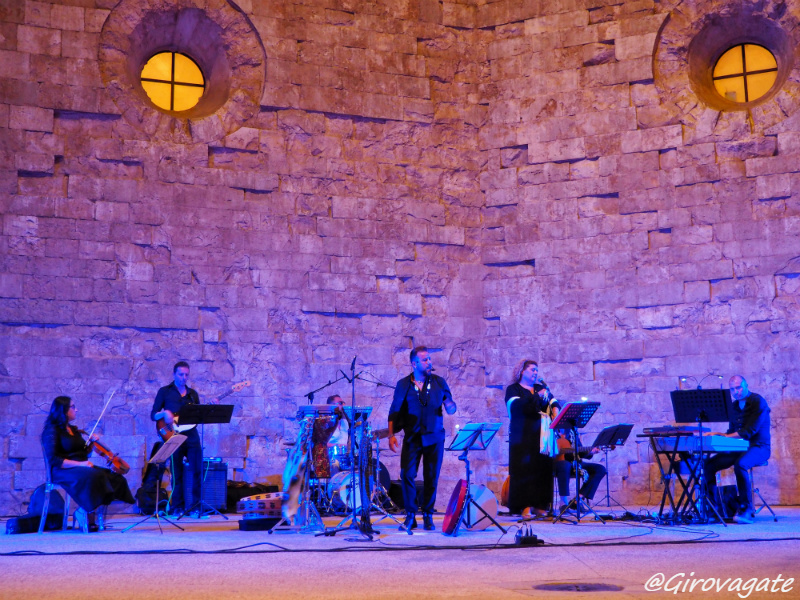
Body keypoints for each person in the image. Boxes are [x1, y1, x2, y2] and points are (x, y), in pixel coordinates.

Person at [388, 346, 457, 531]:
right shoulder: (403, 384)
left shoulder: (439, 382)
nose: (429, 363)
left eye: (429, 359)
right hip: (412, 436)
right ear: (414, 364)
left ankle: (427, 514)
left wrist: (450, 405)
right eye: (425, 360)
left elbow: (450, 406)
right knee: (407, 475)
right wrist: (391, 434)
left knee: (431, 476)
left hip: (435, 437)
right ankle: (411, 515)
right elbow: (394, 410)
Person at [41, 396, 134, 531]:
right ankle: (86, 512)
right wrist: (80, 464)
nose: (76, 410)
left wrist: (92, 444)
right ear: (63, 410)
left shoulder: (74, 430)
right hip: (62, 470)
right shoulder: (51, 431)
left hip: (81, 468)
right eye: (73, 407)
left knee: (113, 477)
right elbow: (54, 460)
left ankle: (85, 510)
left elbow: (83, 453)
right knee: (94, 475)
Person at [704, 375, 770, 524]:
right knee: (708, 465)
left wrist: (723, 436)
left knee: (740, 464)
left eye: (739, 387)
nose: (736, 391)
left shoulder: (757, 401)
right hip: (740, 447)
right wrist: (719, 435)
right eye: (733, 389)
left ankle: (745, 508)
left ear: (746, 385)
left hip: (759, 447)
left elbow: (749, 431)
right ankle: (712, 509)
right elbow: (732, 431)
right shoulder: (733, 407)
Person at [504, 359, 560, 518]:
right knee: (524, 471)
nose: (536, 373)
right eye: (532, 370)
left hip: (541, 436)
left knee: (542, 469)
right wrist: (537, 396)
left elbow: (554, 401)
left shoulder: (540, 388)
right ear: (522, 371)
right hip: (522, 436)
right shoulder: (513, 389)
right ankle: (524, 507)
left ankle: (539, 505)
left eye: (537, 370)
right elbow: (517, 407)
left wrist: (555, 409)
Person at [151, 361, 203, 516]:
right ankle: (177, 507)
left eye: (186, 375)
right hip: (173, 435)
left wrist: (208, 408)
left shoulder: (192, 394)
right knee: (177, 473)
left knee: (197, 471)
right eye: (181, 374)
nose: (184, 378)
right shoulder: (165, 392)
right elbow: (153, 414)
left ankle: (195, 507)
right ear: (174, 374)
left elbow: (198, 415)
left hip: (191, 436)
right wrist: (163, 414)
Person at [554, 430, 606, 512]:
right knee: (564, 464)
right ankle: (563, 503)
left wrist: (590, 452)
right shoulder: (549, 430)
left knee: (600, 469)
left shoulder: (572, 431)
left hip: (575, 463)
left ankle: (578, 499)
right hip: (555, 464)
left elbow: (580, 452)